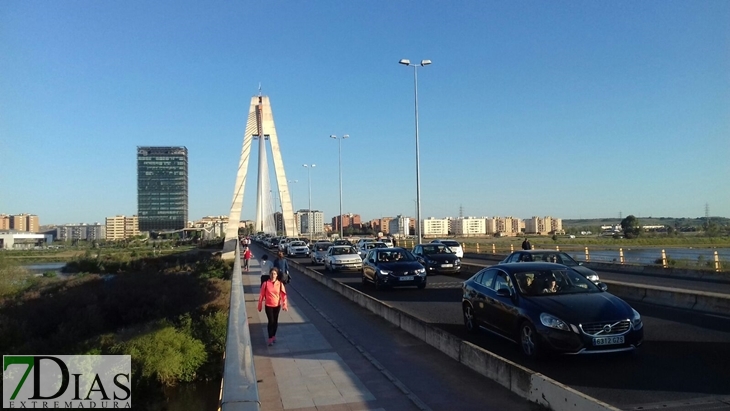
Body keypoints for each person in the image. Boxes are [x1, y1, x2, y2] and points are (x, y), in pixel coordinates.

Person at [258, 267, 288, 346]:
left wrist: (284, 304)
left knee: (275, 321)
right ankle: (270, 338)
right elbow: (261, 295)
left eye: (274, 274)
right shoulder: (266, 284)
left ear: (277, 275)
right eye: (271, 273)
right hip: (268, 305)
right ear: (269, 274)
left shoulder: (280, 284)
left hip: (277, 306)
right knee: (271, 321)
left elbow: (283, 295)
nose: (273, 275)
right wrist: (260, 305)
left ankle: (274, 335)